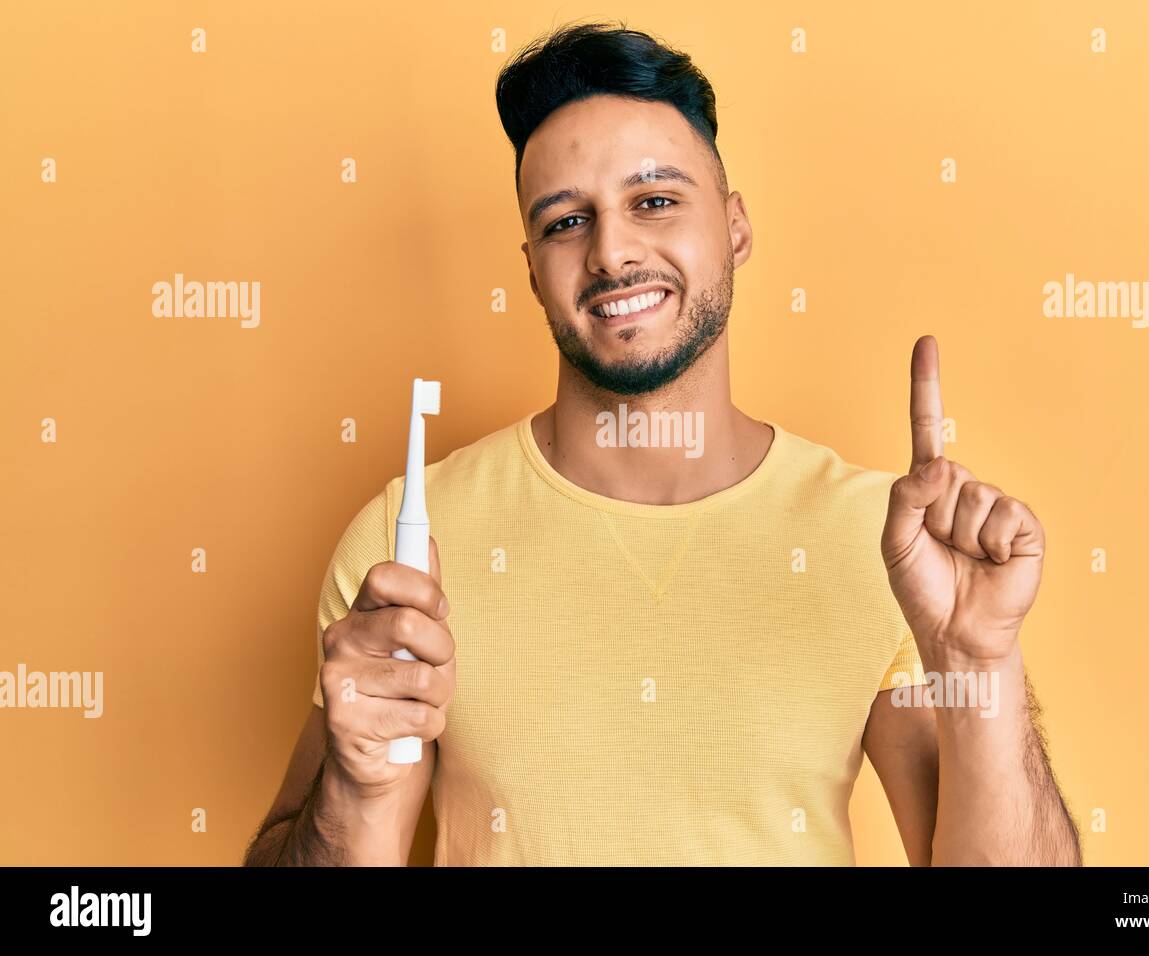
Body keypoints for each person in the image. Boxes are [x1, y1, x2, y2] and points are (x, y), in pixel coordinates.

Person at [244, 20, 1080, 866]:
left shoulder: (883, 544)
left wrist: (982, 664)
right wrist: (357, 789)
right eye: (567, 221)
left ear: (736, 228)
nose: (612, 252)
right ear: (532, 267)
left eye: (655, 201)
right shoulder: (409, 548)